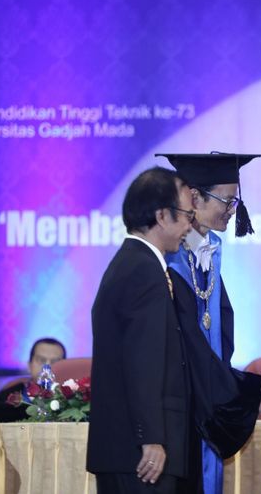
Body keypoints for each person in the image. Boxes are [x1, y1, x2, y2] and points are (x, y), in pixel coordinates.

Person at [159, 152, 261, 494]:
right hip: (178, 405)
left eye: (235, 199)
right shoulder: (167, 258)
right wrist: (240, 390)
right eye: (227, 199)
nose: (233, 208)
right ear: (193, 197)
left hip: (205, 399)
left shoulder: (207, 250)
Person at [86, 167, 194, 493]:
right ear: (163, 216)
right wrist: (151, 438)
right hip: (141, 456)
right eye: (187, 215)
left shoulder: (130, 262)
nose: (191, 225)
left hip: (127, 451)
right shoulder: (143, 271)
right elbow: (142, 362)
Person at [0, 337, 67, 404]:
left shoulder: (73, 399)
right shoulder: (9, 395)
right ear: (29, 365)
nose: (47, 367)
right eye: (41, 360)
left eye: (55, 362)